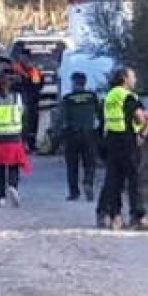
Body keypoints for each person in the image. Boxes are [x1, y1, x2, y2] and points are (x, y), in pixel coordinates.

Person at [98, 67, 148, 231]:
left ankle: (115, 216)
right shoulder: (127, 96)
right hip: (128, 140)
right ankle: (138, 216)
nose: (135, 79)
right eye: (133, 76)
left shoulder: (109, 96)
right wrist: (144, 131)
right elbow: (140, 117)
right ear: (124, 78)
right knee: (134, 180)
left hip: (111, 140)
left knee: (114, 180)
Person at [0, 74, 31, 208]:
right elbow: (23, 115)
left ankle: (1, 197)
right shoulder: (17, 98)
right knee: (14, 165)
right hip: (14, 136)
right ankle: (13, 186)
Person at [59, 72, 101, 202]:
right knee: (90, 163)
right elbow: (99, 114)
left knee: (72, 165)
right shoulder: (92, 97)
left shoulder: (68, 99)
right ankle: (88, 182)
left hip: (72, 134)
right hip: (89, 133)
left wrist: (60, 136)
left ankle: (74, 193)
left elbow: (63, 119)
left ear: (74, 82)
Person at [13, 52, 43, 152]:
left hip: (32, 101)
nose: (24, 60)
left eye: (26, 58)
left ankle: (31, 144)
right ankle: (20, 144)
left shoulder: (34, 70)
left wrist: (29, 76)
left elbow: (37, 85)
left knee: (32, 123)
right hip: (18, 99)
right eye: (22, 57)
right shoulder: (15, 69)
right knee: (21, 123)